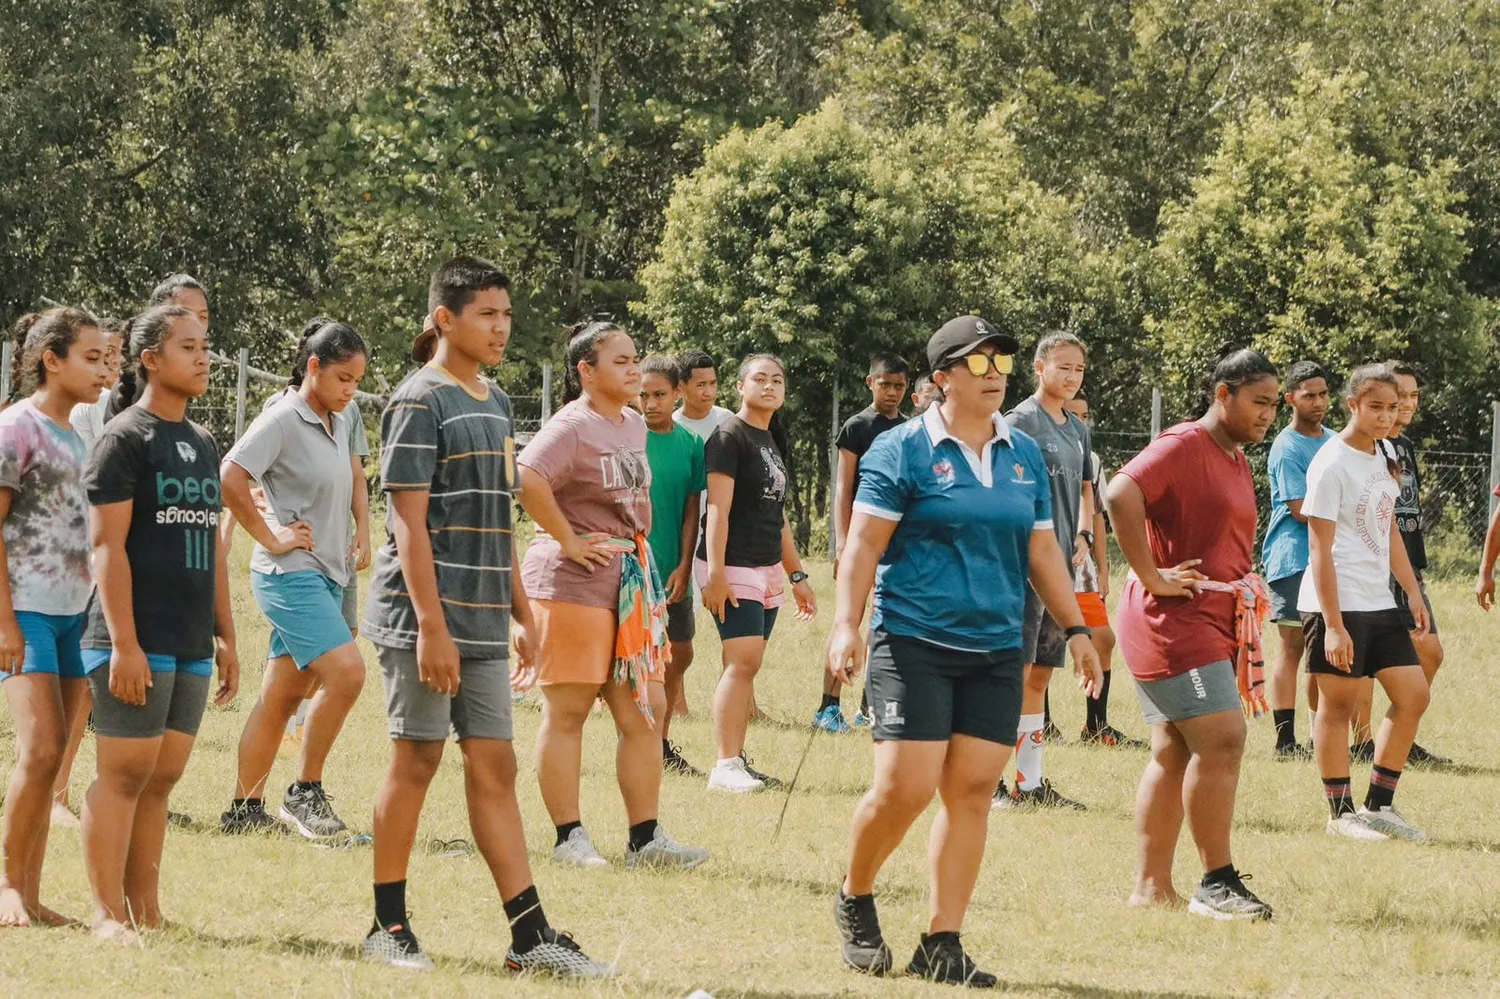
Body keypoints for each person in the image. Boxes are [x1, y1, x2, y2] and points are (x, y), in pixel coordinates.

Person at [827, 315, 1101, 986]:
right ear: (942, 377)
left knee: (972, 789)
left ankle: (941, 939)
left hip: (994, 645)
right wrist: (845, 624)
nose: (997, 376)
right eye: (981, 364)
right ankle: (854, 893)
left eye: (1003, 362)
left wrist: (1078, 628)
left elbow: (1043, 549)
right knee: (905, 786)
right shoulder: (902, 450)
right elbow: (862, 546)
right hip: (912, 638)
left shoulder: (1021, 453)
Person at [360, 257, 612, 976]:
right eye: (487, 315)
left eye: (506, 314)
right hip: (423, 621)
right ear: (446, 319)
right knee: (417, 759)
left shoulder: (496, 401)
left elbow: (495, 517)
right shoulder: (417, 400)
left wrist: (523, 611)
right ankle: (387, 925)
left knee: (495, 764)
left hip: (482, 619)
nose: (502, 327)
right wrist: (432, 626)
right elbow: (407, 524)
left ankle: (529, 936)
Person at [516, 324, 709, 871]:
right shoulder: (572, 425)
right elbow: (527, 475)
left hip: (628, 582)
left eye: (635, 359)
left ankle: (646, 839)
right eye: (621, 361)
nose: (634, 369)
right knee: (569, 710)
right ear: (586, 371)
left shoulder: (629, 423)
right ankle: (568, 838)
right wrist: (568, 538)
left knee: (647, 708)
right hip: (571, 583)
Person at [80, 304, 240, 940]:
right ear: (150, 359)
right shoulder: (124, 438)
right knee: (122, 777)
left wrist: (227, 634)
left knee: (161, 780)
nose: (203, 358)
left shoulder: (202, 443)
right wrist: (124, 644)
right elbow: (105, 549)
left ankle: (145, 910)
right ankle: (105, 914)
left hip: (189, 639)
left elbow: (215, 551)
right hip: (130, 639)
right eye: (188, 347)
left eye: (205, 346)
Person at [1107, 346, 1279, 920]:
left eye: (1274, 405)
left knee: (1173, 751)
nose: (1268, 415)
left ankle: (1151, 888)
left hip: (1205, 616)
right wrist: (1153, 576)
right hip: (1171, 621)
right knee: (1223, 738)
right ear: (1222, 394)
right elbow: (1119, 492)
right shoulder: (1184, 445)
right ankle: (1217, 883)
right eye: (1259, 402)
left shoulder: (1234, 456)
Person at [218, 319, 370, 840]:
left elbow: (350, 484)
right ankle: (305, 791)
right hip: (289, 574)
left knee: (282, 696)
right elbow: (231, 475)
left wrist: (360, 535)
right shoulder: (283, 417)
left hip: (330, 572)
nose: (351, 391)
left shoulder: (340, 421)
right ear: (314, 368)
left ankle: (244, 810)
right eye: (343, 379)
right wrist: (272, 536)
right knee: (348, 674)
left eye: (356, 382)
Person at [0, 308, 111, 927]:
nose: (103, 370)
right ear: (51, 359)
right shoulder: (16, 428)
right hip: (23, 615)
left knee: (57, 755)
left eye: (105, 359)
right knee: (40, 750)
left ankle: (32, 897)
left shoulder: (78, 437)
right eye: (91, 358)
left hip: (76, 616)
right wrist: (7, 624)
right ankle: (7, 886)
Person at [1299, 364, 1430, 842]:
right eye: (1375, 406)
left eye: (1392, 408)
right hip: (1335, 602)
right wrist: (1332, 625)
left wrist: (1412, 591)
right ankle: (1340, 814)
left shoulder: (1385, 454)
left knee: (1414, 695)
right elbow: (1319, 549)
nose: (1384, 416)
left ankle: (1379, 806)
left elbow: (1388, 526)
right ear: (1351, 404)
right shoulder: (1329, 463)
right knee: (1337, 706)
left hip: (1378, 600)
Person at [699, 354, 818, 792]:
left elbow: (777, 513)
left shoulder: (770, 438)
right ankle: (724, 765)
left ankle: (736, 761)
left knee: (746, 663)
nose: (770, 386)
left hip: (766, 563)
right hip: (732, 563)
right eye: (760, 379)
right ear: (740, 387)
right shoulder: (729, 436)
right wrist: (715, 573)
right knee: (743, 660)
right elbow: (717, 508)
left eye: (778, 380)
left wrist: (797, 574)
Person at [996, 332, 1094, 809]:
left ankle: (1029, 784)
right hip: (1021, 568)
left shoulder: (1077, 428)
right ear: (1038, 368)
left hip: (1060, 570)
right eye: (1063, 367)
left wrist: (1081, 538)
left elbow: (1079, 496)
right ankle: (991, 782)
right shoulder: (1018, 422)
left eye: (1078, 369)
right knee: (1010, 676)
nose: (1072, 377)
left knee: (1039, 678)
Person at [1349, 362, 1448, 766]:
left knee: (1429, 651)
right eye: (1397, 397)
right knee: (1368, 660)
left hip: (1406, 563)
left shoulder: (1400, 446)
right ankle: (1362, 742)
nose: (1406, 405)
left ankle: (1399, 731)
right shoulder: (1359, 449)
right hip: (1373, 566)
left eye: (1412, 396)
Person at [52, 316, 126, 828]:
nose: (110, 365)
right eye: (102, 355)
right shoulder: (85, 409)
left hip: (116, 559)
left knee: (91, 682)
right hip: (75, 560)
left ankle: (104, 793)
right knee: (73, 683)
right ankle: (53, 795)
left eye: (115, 356)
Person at [824, 352, 910, 733]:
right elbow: (844, 487)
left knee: (885, 622)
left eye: (899, 386)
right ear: (869, 382)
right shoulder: (857, 426)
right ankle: (828, 706)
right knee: (849, 619)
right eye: (885, 384)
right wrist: (843, 543)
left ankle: (869, 705)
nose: (892, 392)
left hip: (896, 540)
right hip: (861, 536)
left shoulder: (910, 428)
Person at [638, 356, 707, 777]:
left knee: (680, 652)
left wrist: (684, 564)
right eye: (643, 395)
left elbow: (691, 510)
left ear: (677, 394)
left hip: (672, 567)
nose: (649, 403)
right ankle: (644, 743)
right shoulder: (626, 437)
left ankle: (661, 742)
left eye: (659, 395)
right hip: (631, 567)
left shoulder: (691, 445)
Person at [1261, 361, 1333, 759]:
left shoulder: (1336, 440)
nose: (1319, 402)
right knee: (1292, 648)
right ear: (1290, 399)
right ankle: (1284, 741)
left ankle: (1319, 733)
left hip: (1331, 559)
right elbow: (1301, 508)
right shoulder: (1287, 446)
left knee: (1322, 649)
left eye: (1323, 394)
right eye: (1309, 395)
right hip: (1293, 559)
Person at [1062, 392, 1142, 748]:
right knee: (1040, 649)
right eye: (1072, 414)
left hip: (1083, 568)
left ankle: (1096, 725)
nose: (1080, 421)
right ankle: (1042, 722)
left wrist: (1103, 570)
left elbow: (1097, 516)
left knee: (1103, 639)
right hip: (1048, 561)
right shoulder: (1042, 448)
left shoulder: (1091, 460)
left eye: (1085, 414)